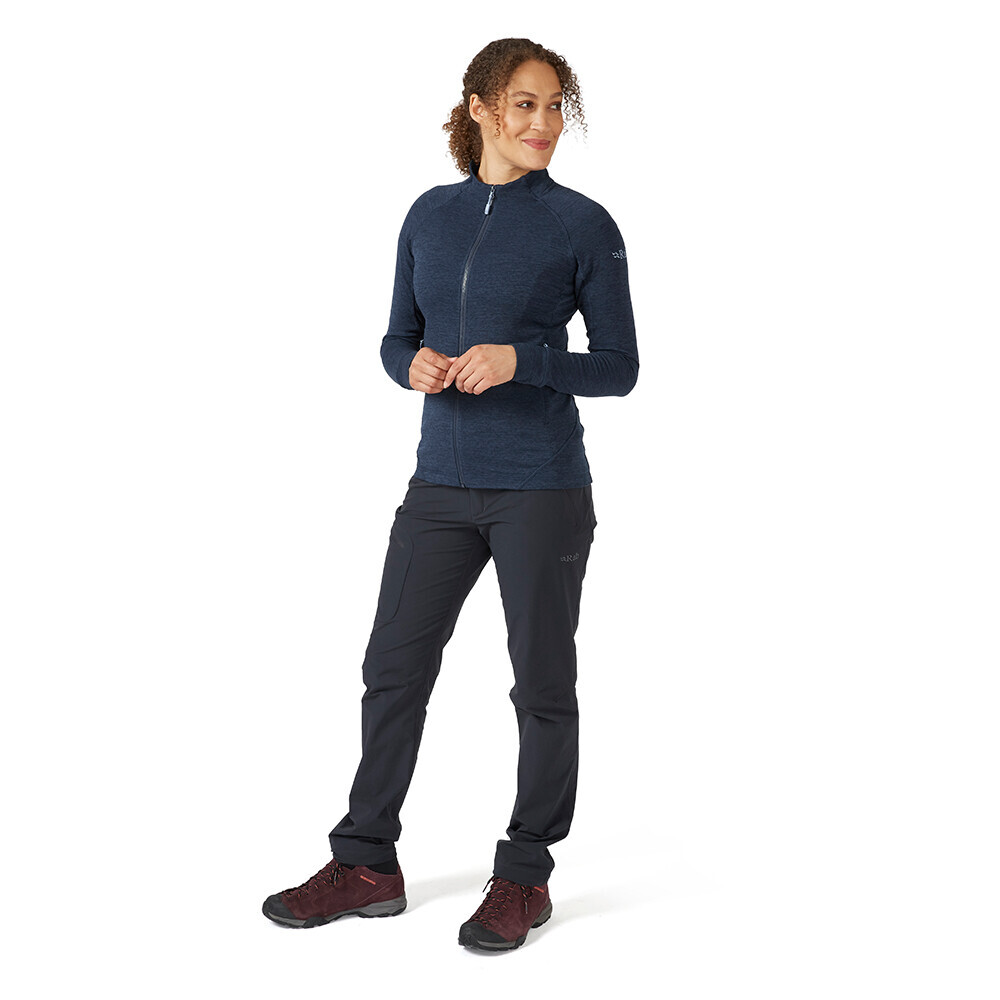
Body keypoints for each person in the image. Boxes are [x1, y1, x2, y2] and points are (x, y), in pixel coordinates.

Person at [262, 37, 638, 952]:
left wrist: (524, 360)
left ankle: (524, 875)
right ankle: (366, 863)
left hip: (540, 488)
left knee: (541, 685)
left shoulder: (583, 225)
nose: (544, 123)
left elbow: (620, 367)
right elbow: (395, 336)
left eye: (555, 107)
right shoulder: (429, 215)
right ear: (479, 107)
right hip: (438, 485)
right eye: (525, 104)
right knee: (393, 668)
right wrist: (412, 366)